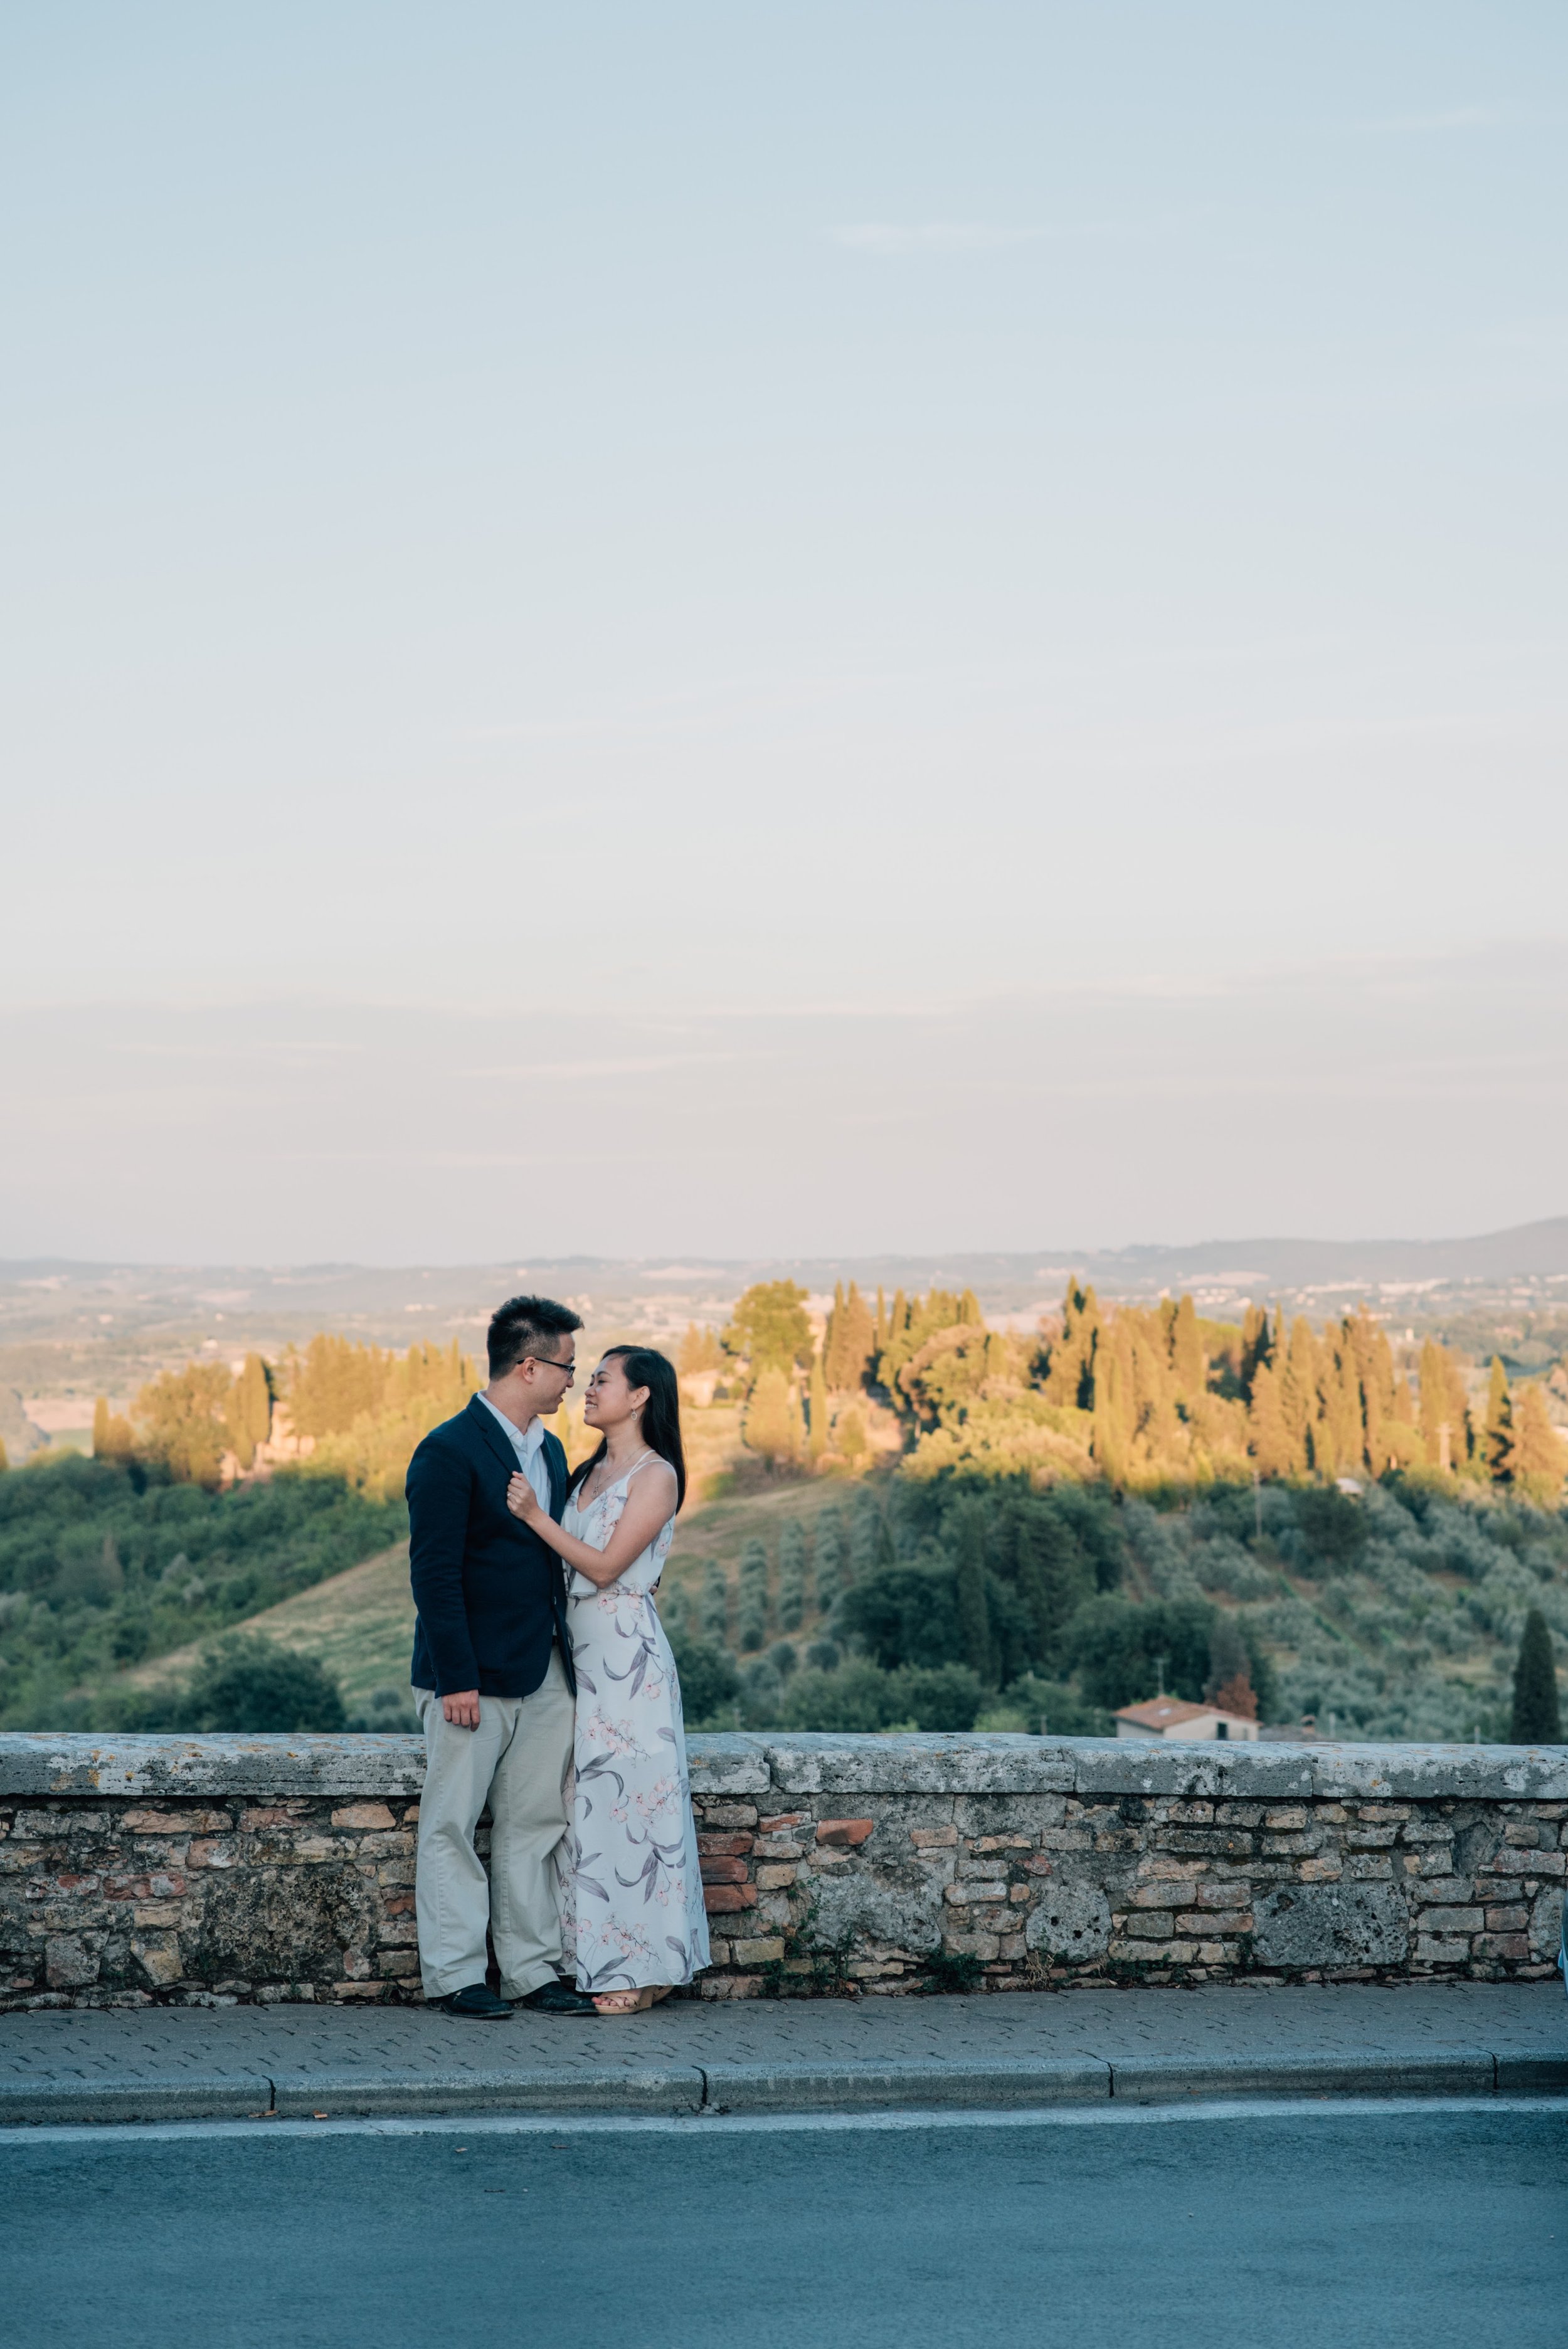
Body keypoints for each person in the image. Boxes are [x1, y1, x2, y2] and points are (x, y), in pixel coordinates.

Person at [406, 1293, 598, 2018]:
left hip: (543, 1670)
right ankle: (457, 1975)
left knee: (535, 1822)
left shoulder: (548, 1450)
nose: (571, 1382)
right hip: (471, 1677)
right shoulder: (448, 1450)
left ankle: (531, 1969)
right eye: (566, 1368)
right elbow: (434, 1573)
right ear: (528, 1366)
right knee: (452, 1823)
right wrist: (456, 1676)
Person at [506, 1344, 710, 2013]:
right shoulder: (588, 1469)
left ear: (642, 1394)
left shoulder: (657, 1476)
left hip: (627, 1661)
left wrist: (536, 1516)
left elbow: (603, 1567)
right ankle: (593, 1956)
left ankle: (648, 1965)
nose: (588, 1388)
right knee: (583, 1810)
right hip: (576, 1657)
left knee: (636, 1812)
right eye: (587, 1378)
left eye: (602, 1379)